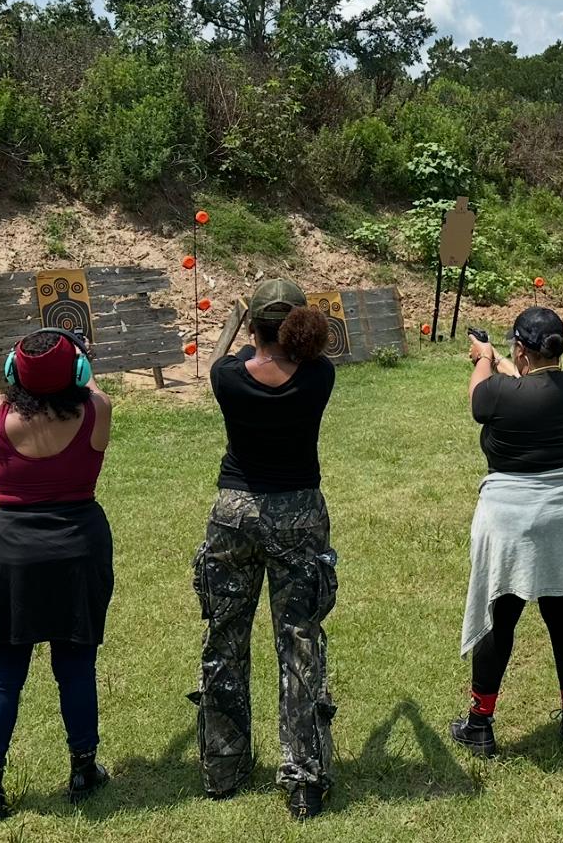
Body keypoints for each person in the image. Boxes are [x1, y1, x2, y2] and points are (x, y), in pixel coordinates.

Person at [192, 280, 338, 820]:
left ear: (253, 326)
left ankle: (222, 766)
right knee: (299, 642)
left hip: (234, 513)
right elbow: (306, 357)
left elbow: (228, 357)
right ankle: (303, 779)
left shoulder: (226, 377)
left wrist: (246, 329)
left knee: (225, 637)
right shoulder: (320, 376)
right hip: (298, 514)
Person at [452, 308, 563, 759]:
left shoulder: (500, 395)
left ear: (521, 350)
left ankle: (480, 724)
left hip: (517, 524)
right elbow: (535, 387)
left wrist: (483, 358)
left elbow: (480, 397)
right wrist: (503, 361)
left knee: (499, 621)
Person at [0, 329, 113, 820]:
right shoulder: (97, 410)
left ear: (14, 372)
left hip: (9, 555)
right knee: (76, 667)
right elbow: (90, 389)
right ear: (79, 371)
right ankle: (83, 769)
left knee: (1, 675)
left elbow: (14, 398)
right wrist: (81, 365)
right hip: (78, 550)